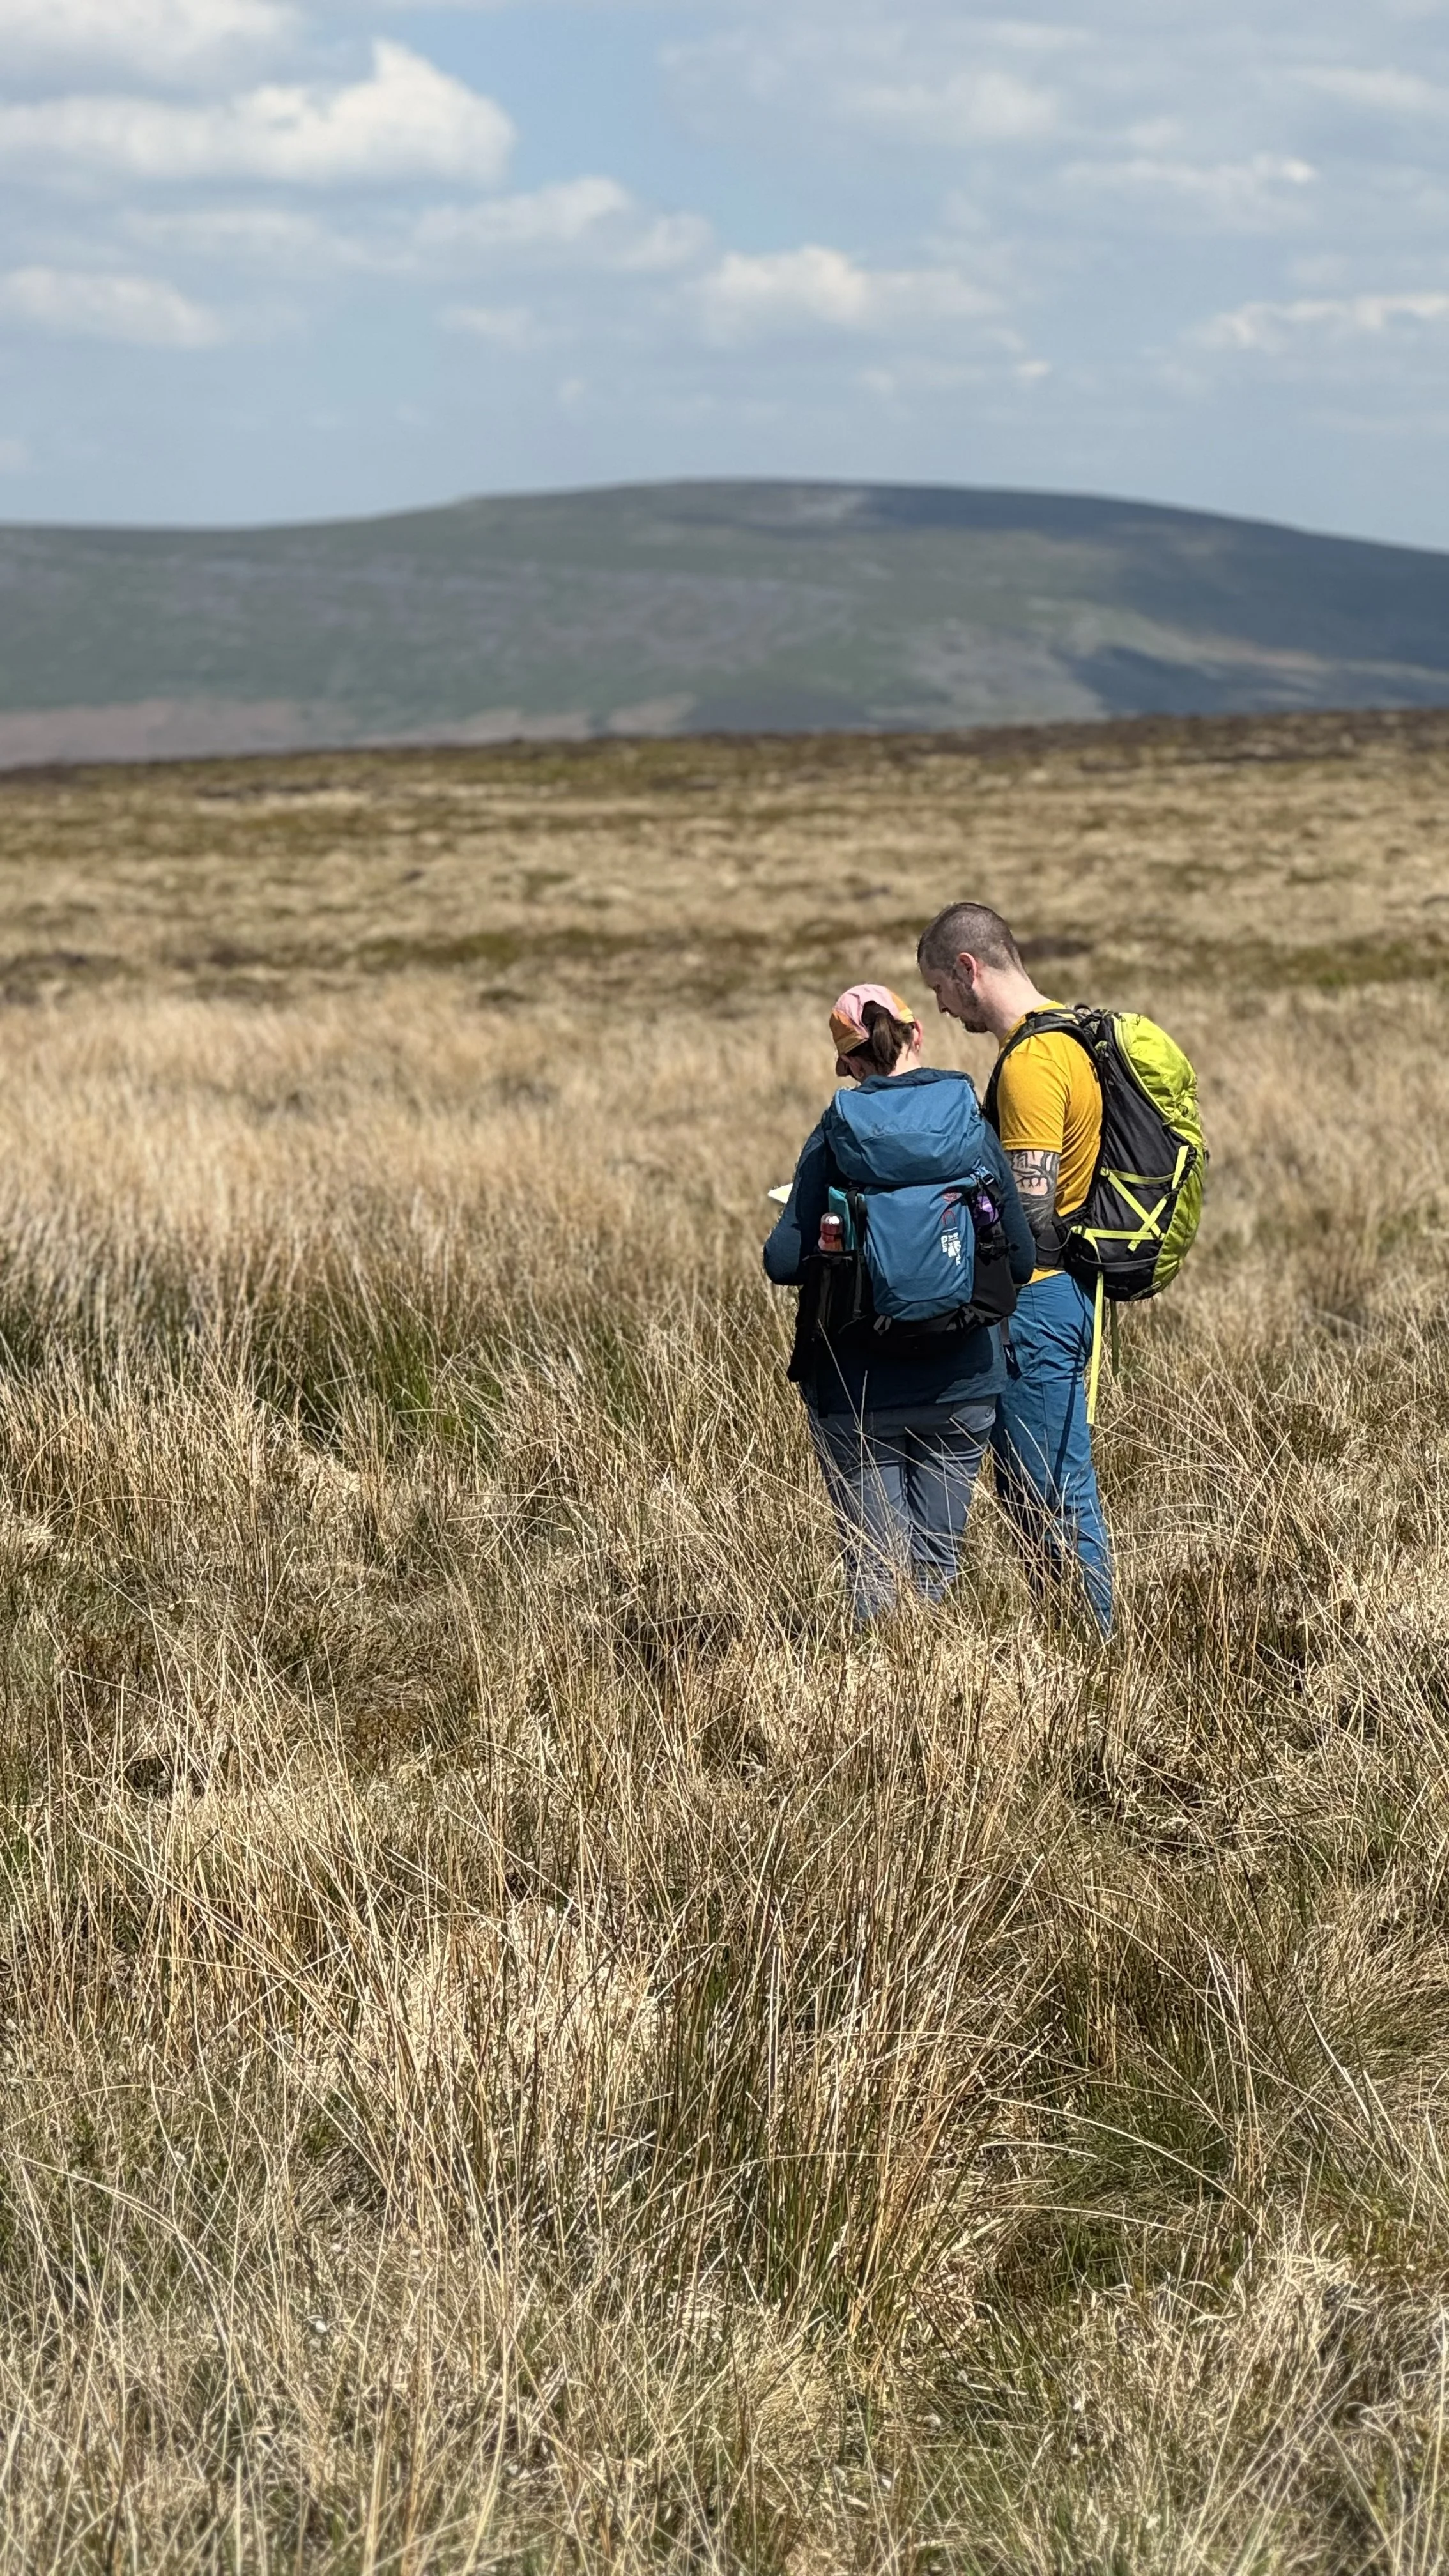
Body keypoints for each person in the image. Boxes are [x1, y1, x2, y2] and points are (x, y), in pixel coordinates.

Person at [763, 981, 1035, 1623]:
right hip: (964, 1383)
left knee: (875, 1572)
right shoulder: (970, 1126)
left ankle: (879, 1700)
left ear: (852, 1063)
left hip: (857, 1390)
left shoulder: (837, 1132)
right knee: (936, 1565)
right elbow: (1019, 1260)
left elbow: (781, 1262)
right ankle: (934, 1696)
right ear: (915, 1035)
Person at [916, 902, 1114, 1634]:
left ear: (970, 970)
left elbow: (1029, 1218)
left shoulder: (1031, 1064)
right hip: (1055, 1299)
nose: (943, 1007)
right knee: (1037, 1492)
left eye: (942, 989)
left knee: (1053, 1492)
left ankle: (1092, 1655)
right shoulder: (1070, 1038)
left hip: (1033, 1306)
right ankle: (1077, 1647)